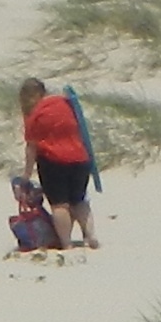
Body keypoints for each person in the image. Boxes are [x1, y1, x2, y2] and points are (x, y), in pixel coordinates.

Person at [16, 78, 99, 250]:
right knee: (79, 200)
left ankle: (66, 243)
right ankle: (90, 236)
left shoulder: (35, 116)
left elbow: (32, 148)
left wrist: (26, 175)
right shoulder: (66, 103)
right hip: (80, 158)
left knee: (60, 205)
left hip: (53, 162)